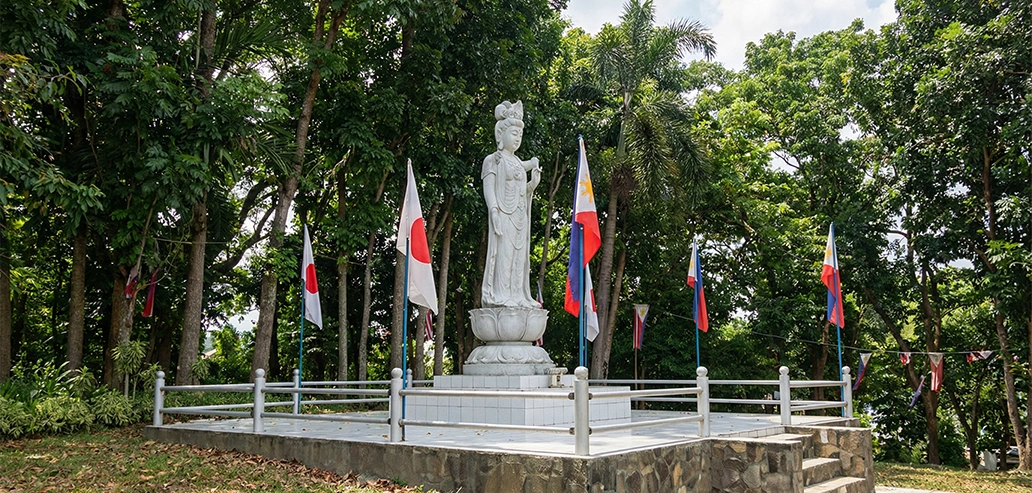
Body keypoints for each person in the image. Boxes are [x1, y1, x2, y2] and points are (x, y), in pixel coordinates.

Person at [481, 101, 541, 308]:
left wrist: (533, 184)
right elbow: (489, 188)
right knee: (504, 255)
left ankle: (518, 296)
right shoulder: (493, 160)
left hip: (519, 215)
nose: (517, 138)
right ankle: (501, 294)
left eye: (520, 135)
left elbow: (522, 190)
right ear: (501, 133)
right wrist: (494, 211)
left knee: (519, 258)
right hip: (503, 213)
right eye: (514, 133)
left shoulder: (517, 163)